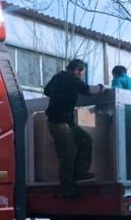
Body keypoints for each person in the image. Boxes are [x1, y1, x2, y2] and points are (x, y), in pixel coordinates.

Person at [44, 59, 104, 198]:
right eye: (82, 73)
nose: (82, 76)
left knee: (85, 139)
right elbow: (89, 90)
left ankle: (80, 172)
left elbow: (46, 91)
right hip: (59, 123)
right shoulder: (71, 79)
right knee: (67, 154)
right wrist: (102, 87)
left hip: (63, 121)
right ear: (77, 70)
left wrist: (61, 94)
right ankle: (67, 190)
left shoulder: (58, 77)